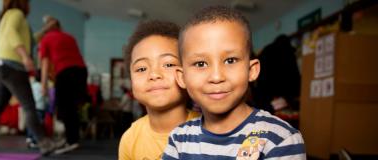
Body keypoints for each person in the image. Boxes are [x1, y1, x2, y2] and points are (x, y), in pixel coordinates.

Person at [162, 6, 306, 159]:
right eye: (200, 64)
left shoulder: (281, 140)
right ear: (182, 77)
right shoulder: (178, 139)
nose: (216, 77)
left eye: (230, 60)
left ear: (251, 70)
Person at [0, 0, 62, 155]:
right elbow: (11, 32)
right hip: (13, 66)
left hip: (0, 65)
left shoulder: (8, 16)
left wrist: (46, 30)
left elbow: (29, 41)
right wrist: (24, 57)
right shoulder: (17, 13)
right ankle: (44, 142)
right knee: (29, 106)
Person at [118, 20, 200, 160]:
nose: (154, 74)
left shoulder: (210, 129)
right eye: (142, 69)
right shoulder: (130, 138)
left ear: (187, 73)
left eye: (168, 64)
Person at [39, 16, 88, 154]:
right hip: (81, 71)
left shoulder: (46, 38)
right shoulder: (70, 37)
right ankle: (71, 138)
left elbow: (45, 63)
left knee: (65, 107)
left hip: (66, 72)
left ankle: (72, 141)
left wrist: (43, 84)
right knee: (71, 107)